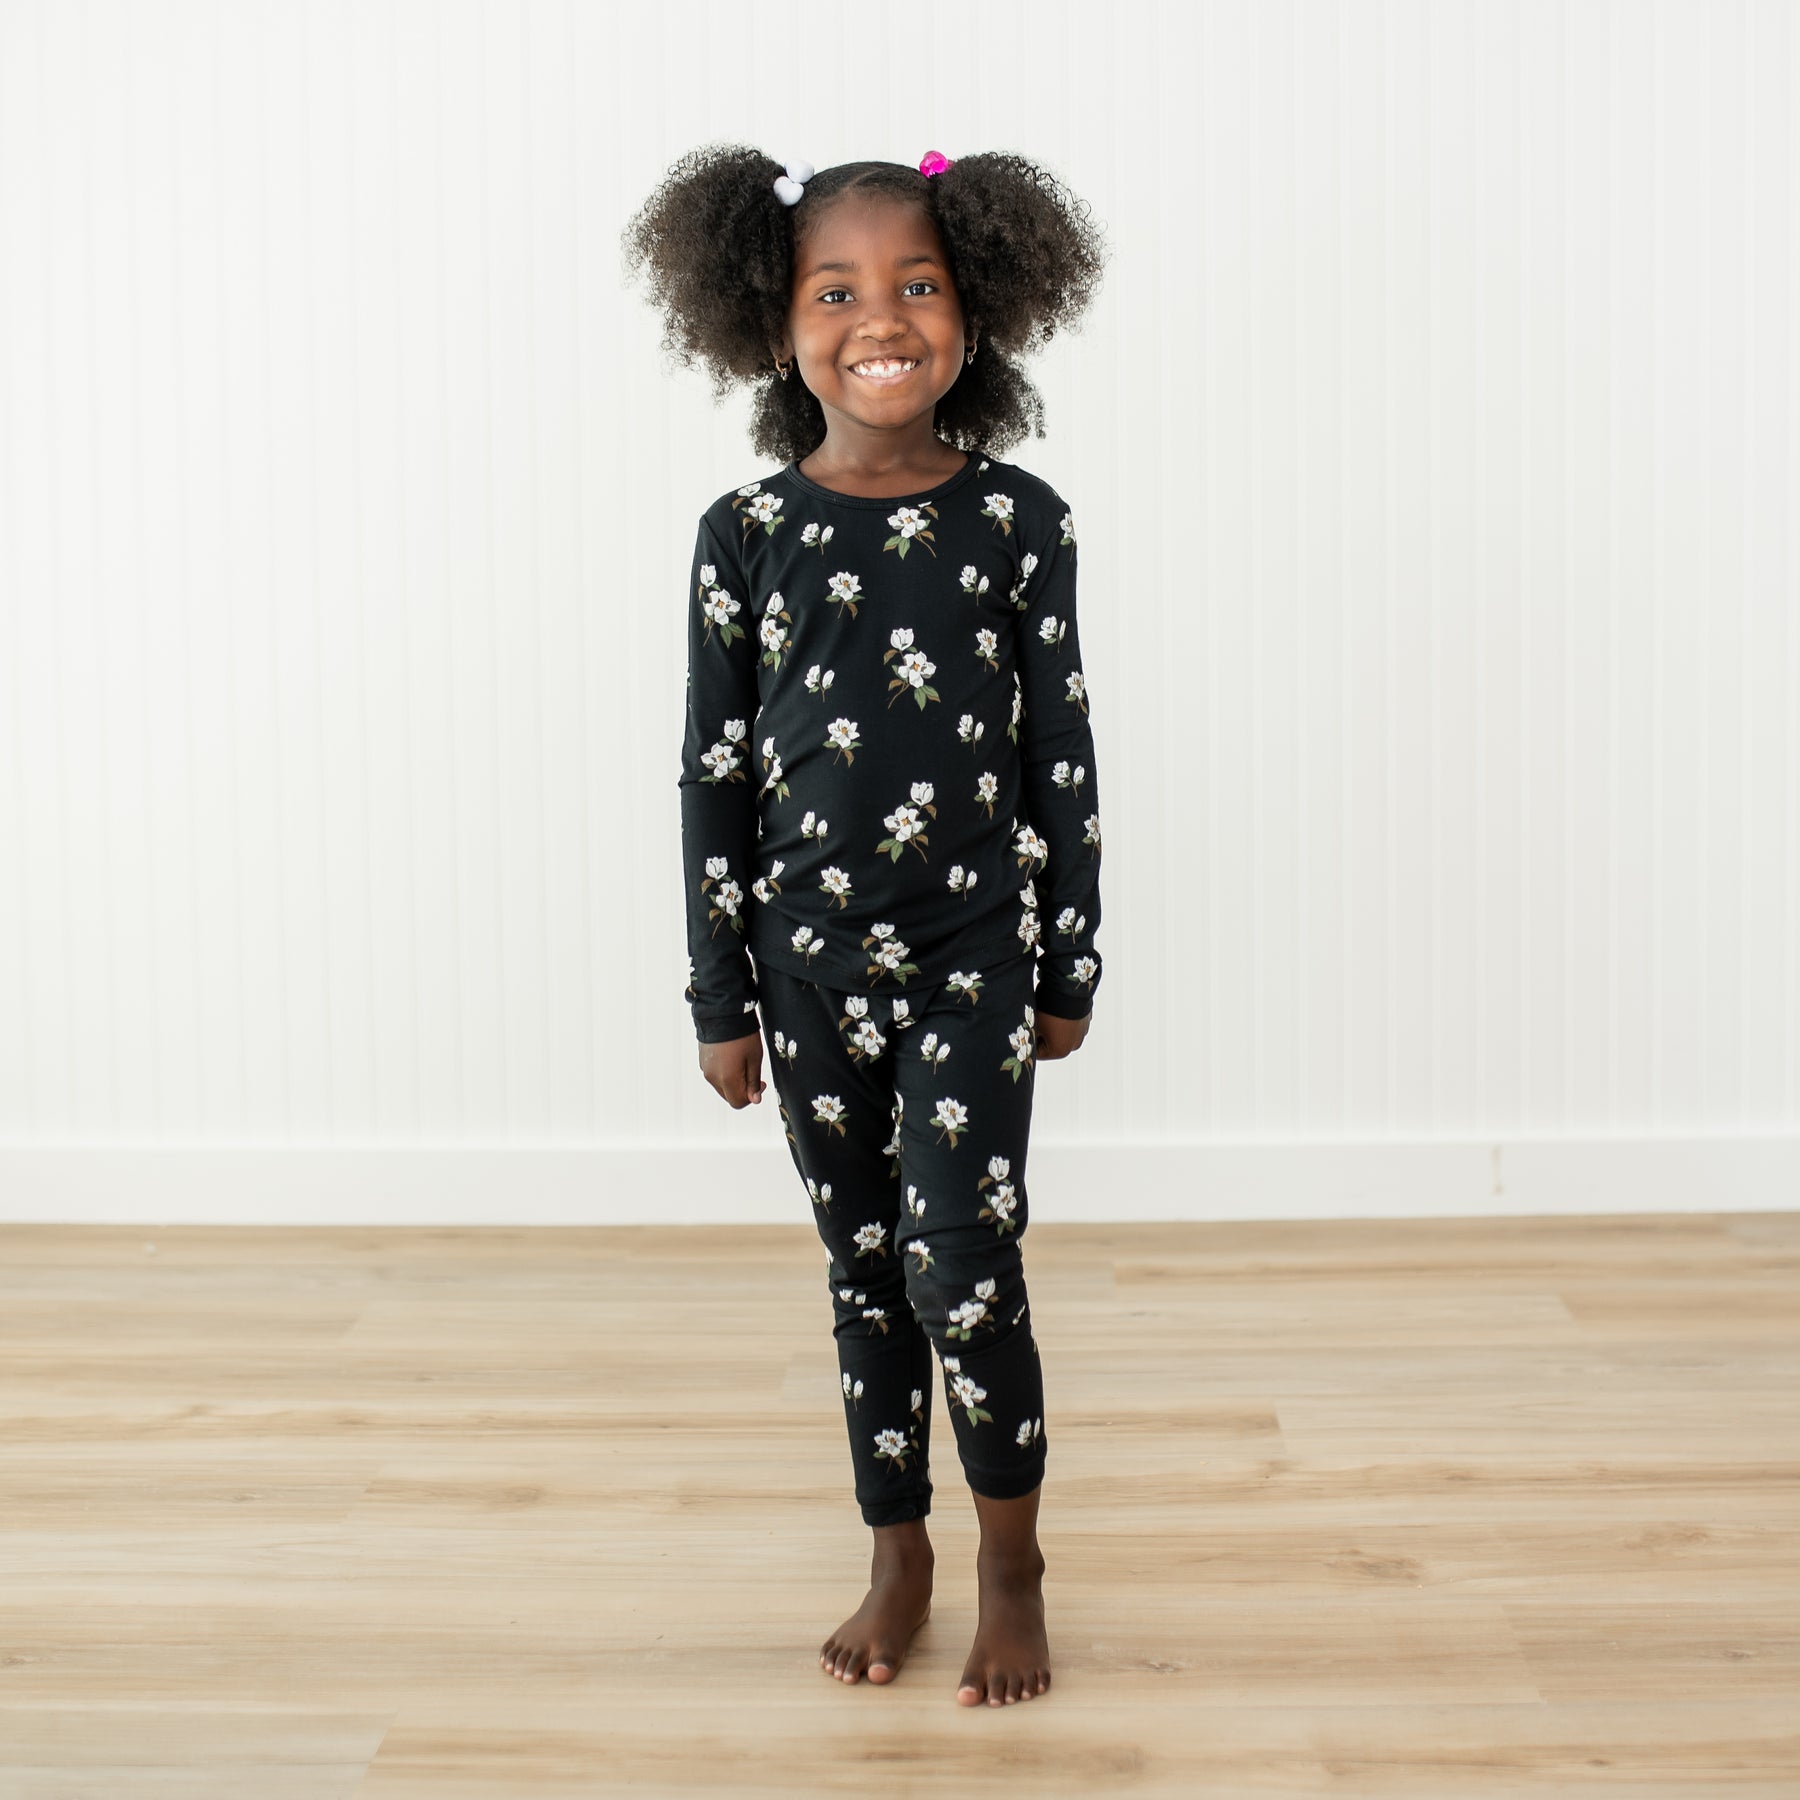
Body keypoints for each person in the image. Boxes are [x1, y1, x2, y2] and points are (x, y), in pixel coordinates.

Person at [621, 146, 1108, 1708]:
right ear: (774, 325)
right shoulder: (743, 533)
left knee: (966, 1253)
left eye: (918, 284)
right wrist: (719, 991)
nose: (879, 319)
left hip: (973, 946)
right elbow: (712, 770)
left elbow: (1062, 747)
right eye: (837, 290)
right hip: (805, 966)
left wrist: (1068, 957)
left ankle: (1010, 1559)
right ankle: (895, 1548)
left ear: (980, 313)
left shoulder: (1020, 521)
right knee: (865, 1262)